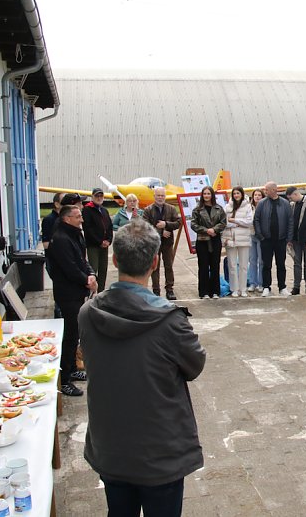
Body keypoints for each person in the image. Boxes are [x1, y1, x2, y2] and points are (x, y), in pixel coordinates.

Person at [78, 218, 206, 517]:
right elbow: (195, 364)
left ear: (114, 259)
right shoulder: (171, 321)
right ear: (155, 262)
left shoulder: (88, 313)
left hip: (111, 443)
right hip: (160, 448)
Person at [46, 204, 97, 397]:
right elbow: (70, 267)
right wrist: (86, 280)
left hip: (78, 291)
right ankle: (64, 379)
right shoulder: (60, 239)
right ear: (67, 219)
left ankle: (72, 368)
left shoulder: (76, 234)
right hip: (67, 294)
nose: (81, 220)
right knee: (69, 335)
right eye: (77, 217)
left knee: (75, 333)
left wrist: (91, 274)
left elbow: (82, 260)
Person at [252, 181, 292, 297]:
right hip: (266, 240)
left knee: (281, 264)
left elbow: (290, 221)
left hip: (281, 240)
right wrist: (260, 236)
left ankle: (282, 287)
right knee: (266, 264)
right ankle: (266, 287)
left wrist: (288, 238)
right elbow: (257, 220)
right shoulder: (262, 203)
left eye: (266, 190)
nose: (265, 192)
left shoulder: (285, 203)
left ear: (274, 190)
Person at [142, 187, 182, 301]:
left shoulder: (171, 208)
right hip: (154, 244)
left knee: (169, 266)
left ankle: (170, 289)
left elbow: (178, 223)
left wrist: (166, 224)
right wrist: (160, 231)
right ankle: (156, 291)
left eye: (162, 196)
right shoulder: (148, 210)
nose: (160, 198)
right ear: (154, 196)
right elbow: (145, 226)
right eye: (158, 195)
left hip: (168, 243)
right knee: (155, 267)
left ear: (165, 196)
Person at [191, 186, 226, 300]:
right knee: (203, 266)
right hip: (202, 241)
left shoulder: (218, 208)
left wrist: (214, 230)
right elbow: (193, 224)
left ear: (212, 195)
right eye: (204, 194)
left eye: (208, 193)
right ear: (202, 195)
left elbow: (223, 222)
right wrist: (207, 230)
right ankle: (204, 292)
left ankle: (215, 291)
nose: (206, 196)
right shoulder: (197, 209)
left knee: (215, 266)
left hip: (215, 240)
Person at [285, 187, 306, 295]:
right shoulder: (293, 205)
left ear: (295, 194)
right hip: (295, 240)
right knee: (297, 264)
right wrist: (290, 239)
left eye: (291, 198)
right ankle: (296, 287)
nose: (291, 200)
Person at [222, 186, 253, 297]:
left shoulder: (248, 206)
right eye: (234, 193)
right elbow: (224, 222)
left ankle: (243, 289)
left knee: (244, 265)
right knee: (232, 265)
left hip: (244, 239)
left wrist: (235, 220)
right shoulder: (227, 207)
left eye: (238, 193)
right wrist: (238, 224)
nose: (236, 195)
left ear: (242, 194)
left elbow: (249, 222)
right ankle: (234, 288)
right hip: (230, 239)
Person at [82, 188, 114, 291]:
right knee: (93, 269)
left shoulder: (104, 210)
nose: (99, 198)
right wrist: (99, 242)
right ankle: (91, 292)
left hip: (105, 246)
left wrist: (109, 240)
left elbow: (109, 227)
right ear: (92, 197)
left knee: (103, 270)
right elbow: (88, 229)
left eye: (101, 196)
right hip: (93, 245)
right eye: (97, 196)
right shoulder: (87, 210)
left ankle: (101, 291)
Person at [246, 188, 265, 293]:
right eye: (255, 195)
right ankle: (253, 283)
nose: (257, 197)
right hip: (251, 235)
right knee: (252, 260)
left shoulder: (264, 207)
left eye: (259, 195)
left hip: (261, 237)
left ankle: (261, 283)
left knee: (261, 261)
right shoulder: (249, 208)